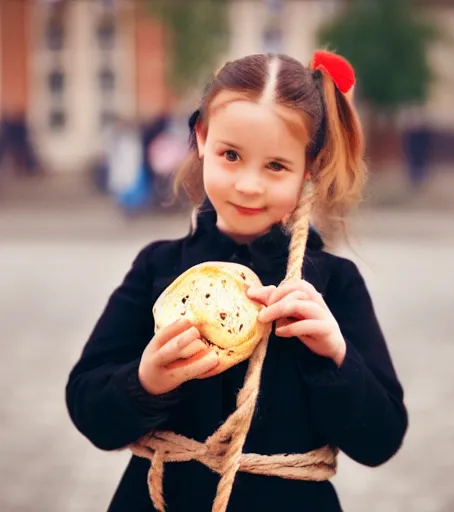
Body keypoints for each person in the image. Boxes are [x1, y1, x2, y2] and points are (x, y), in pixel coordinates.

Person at [66, 50, 408, 512]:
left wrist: (335, 356)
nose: (249, 185)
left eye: (276, 166)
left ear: (309, 166)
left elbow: (381, 440)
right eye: (231, 155)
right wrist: (145, 380)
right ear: (202, 139)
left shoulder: (332, 284)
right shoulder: (157, 268)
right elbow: (89, 411)